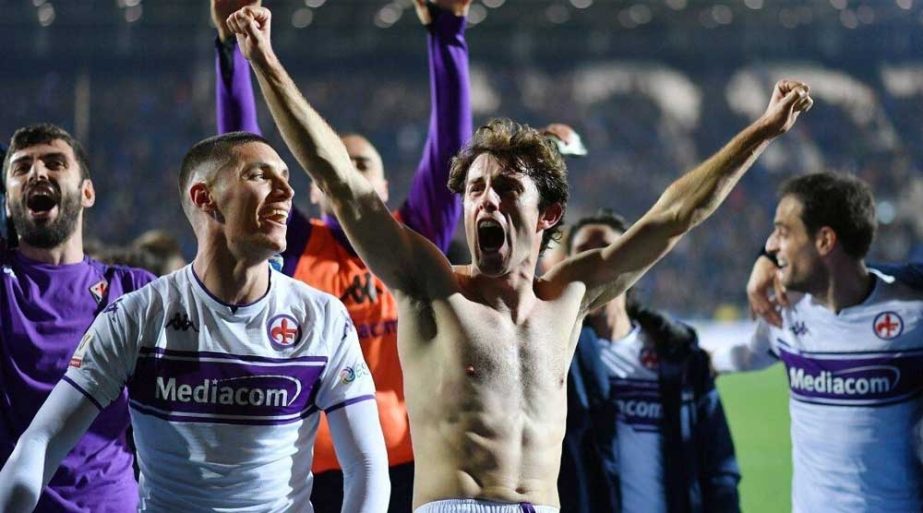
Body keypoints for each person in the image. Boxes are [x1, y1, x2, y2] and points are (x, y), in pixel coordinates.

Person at [230, 5, 812, 510]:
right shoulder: (431, 287)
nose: (486, 198)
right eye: (476, 188)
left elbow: (673, 216)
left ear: (548, 213)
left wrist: (760, 132)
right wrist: (265, 62)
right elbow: (342, 183)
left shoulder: (572, 295)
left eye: (506, 187)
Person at [0, 131, 390, 513]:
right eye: (260, 175)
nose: (286, 193)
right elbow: (41, 441)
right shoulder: (137, 316)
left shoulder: (322, 317)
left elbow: (367, 466)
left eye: (285, 178)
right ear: (205, 198)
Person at [211, 0, 473, 510]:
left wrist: (448, 32)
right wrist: (231, 51)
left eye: (361, 164)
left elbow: (450, 153)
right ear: (314, 189)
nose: (347, 170)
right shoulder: (294, 248)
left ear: (383, 183)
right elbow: (241, 164)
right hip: (311, 475)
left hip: (411, 468)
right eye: (336, 161)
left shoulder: (414, 239)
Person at [710, 172, 923, 512]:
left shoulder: (913, 316)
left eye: (783, 232)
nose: (770, 246)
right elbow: (738, 357)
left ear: (824, 241)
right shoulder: (786, 315)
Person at [0, 124, 155, 512]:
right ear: (6, 203)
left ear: (87, 192)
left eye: (54, 163)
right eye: (22, 168)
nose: (38, 173)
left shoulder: (134, 291)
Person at [560, 209, 739, 513]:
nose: (593, 263)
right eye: (581, 254)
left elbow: (718, 462)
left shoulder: (678, 354)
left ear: (632, 264)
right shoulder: (557, 355)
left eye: (605, 250)